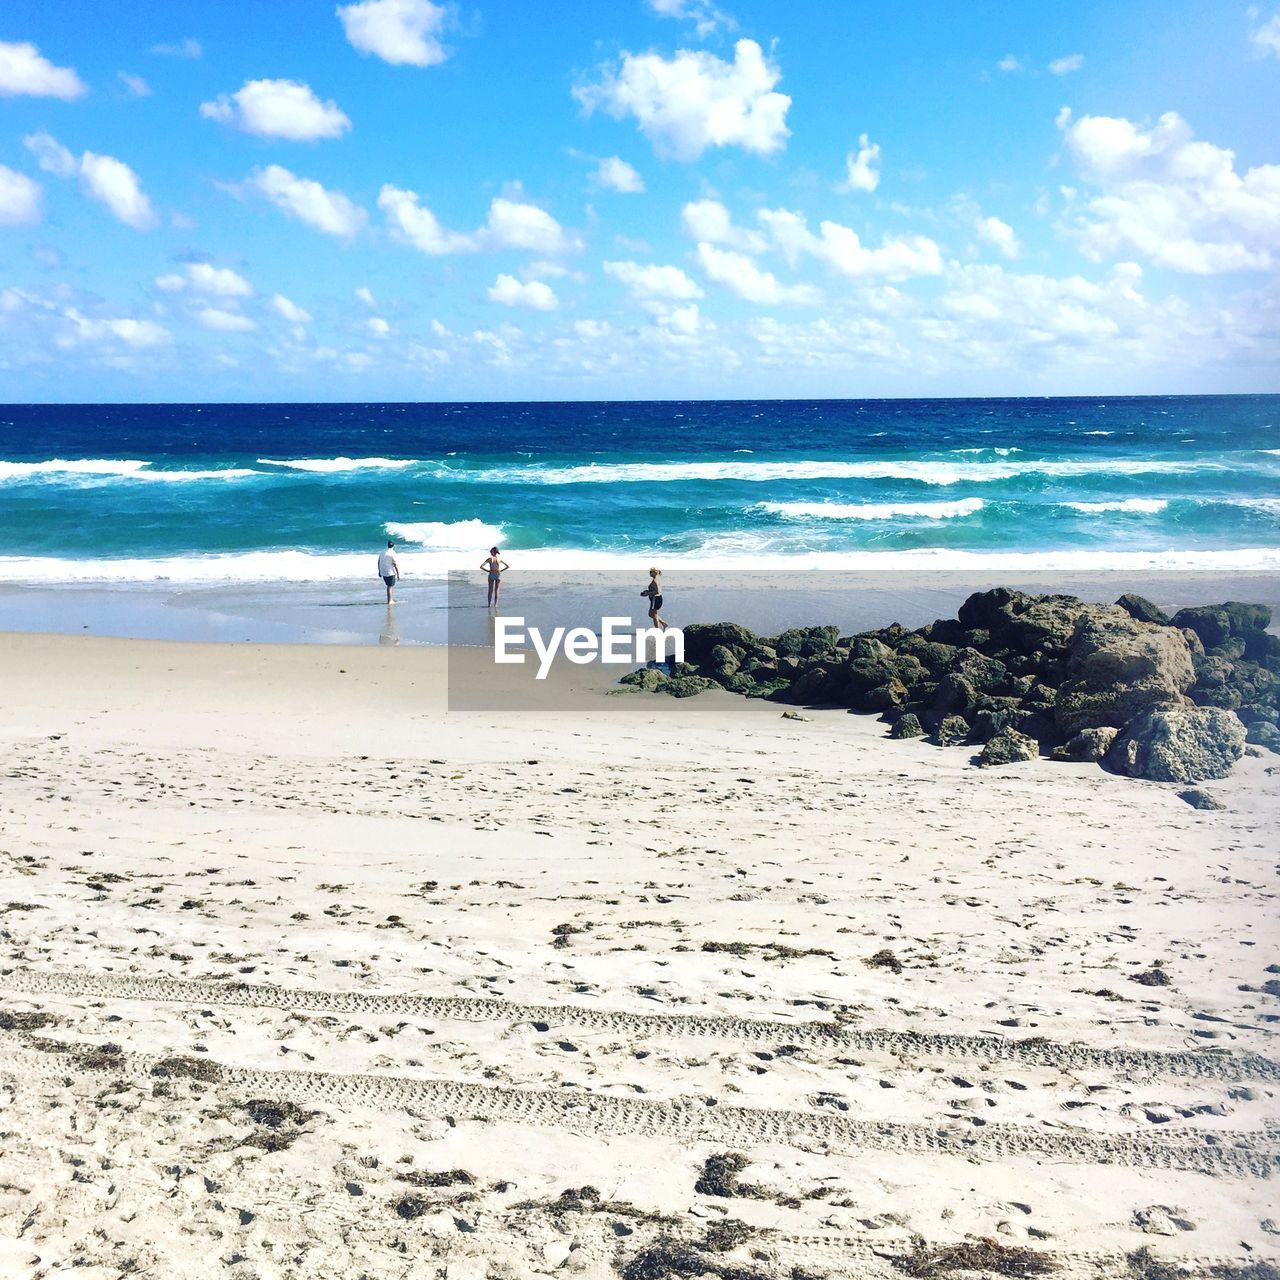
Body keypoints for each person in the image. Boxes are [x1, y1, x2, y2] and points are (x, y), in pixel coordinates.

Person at [641, 566, 667, 631]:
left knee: (653, 615)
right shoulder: (657, 579)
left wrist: (647, 593)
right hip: (657, 599)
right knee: (652, 614)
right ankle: (663, 624)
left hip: (655, 599)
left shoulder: (655, 580)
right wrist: (647, 591)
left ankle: (658, 630)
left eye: (651, 572)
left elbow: (657, 591)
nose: (650, 573)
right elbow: (654, 590)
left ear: (655, 572)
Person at [378, 539, 401, 604]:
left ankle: (390, 600)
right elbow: (395, 564)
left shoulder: (382, 552)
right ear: (393, 545)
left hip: (383, 572)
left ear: (388, 545)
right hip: (390, 572)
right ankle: (390, 601)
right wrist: (398, 574)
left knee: (388, 586)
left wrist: (379, 571)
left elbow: (379, 562)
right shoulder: (393, 553)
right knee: (390, 586)